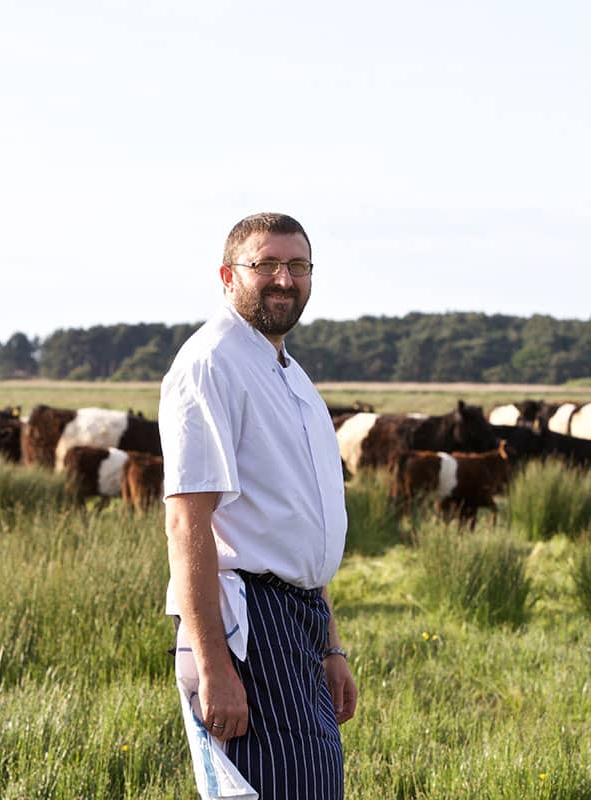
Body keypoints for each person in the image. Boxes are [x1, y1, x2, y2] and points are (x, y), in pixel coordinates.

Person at [160, 212, 357, 800]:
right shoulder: (210, 363)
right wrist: (216, 666)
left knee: (313, 787)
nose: (283, 279)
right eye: (265, 264)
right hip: (246, 622)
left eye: (297, 266)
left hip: (299, 619)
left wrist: (330, 642)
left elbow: (299, 523)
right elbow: (186, 520)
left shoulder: (290, 374)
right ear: (228, 275)